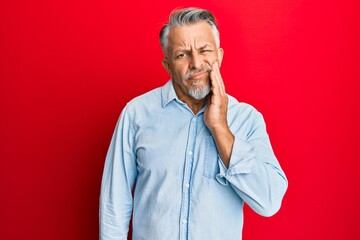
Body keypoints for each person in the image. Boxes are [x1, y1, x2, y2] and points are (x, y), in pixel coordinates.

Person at [99, 7, 288, 240]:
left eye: (204, 50)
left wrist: (220, 128)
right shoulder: (137, 114)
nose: (196, 63)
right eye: (182, 55)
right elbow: (113, 204)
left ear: (219, 56)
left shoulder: (247, 120)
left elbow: (269, 202)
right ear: (168, 66)